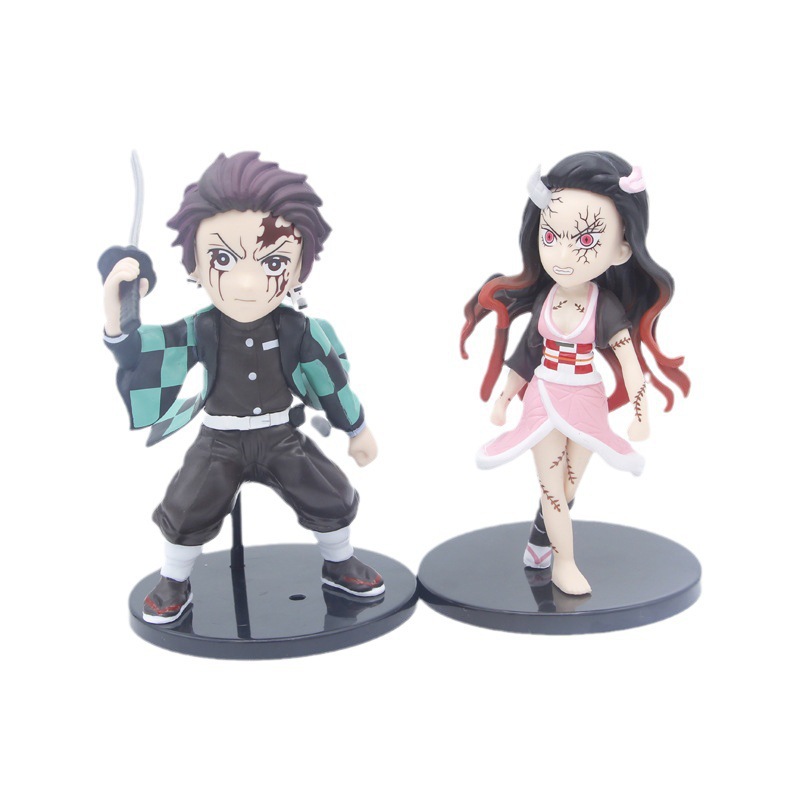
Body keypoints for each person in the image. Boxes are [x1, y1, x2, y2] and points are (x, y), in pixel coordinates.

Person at [103, 152, 384, 624]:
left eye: (273, 261)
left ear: (298, 270)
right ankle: (175, 578)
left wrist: (357, 428)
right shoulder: (201, 328)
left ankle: (339, 562)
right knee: (188, 505)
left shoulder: (299, 329)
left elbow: (330, 380)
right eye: (222, 259)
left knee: (328, 492)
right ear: (195, 265)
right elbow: (141, 350)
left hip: (281, 435)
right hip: (220, 439)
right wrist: (116, 306)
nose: (248, 283)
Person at [461, 151, 689, 595]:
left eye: (584, 241)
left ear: (621, 250)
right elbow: (526, 357)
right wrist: (505, 399)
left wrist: (640, 413)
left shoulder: (605, 307)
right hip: (544, 396)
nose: (562, 256)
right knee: (552, 489)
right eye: (551, 236)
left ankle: (539, 543)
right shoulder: (545, 300)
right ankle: (563, 564)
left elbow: (630, 363)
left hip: (586, 400)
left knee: (567, 487)